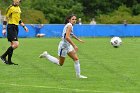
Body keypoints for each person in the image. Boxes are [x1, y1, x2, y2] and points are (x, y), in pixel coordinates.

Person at [39, 14, 87, 78]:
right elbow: (67, 37)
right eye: (73, 19)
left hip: (68, 46)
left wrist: (78, 39)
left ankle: (78, 75)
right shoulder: (69, 25)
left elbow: (71, 34)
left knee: (76, 59)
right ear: (69, 20)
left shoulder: (69, 25)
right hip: (63, 46)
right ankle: (46, 55)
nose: (74, 20)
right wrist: (74, 45)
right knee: (60, 63)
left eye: (75, 19)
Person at [0, 0, 28, 65]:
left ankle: (9, 61)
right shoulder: (11, 8)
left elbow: (19, 19)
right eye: (17, 1)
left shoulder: (18, 8)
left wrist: (24, 27)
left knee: (12, 45)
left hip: (16, 27)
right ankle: (3, 56)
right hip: (11, 27)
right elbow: (5, 18)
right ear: (14, 1)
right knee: (16, 44)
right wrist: (4, 28)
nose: (18, 2)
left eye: (19, 1)